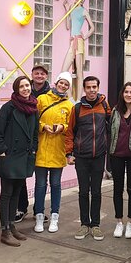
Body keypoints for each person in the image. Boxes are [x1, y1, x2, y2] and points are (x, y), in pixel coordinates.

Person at [0, 76, 39, 247]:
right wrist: (2, 152)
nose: (26, 89)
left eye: (27, 85)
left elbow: (34, 133)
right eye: (22, 86)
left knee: (17, 193)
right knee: (7, 193)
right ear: (16, 89)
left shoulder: (33, 107)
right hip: (10, 156)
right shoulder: (8, 108)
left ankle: (12, 226)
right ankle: (4, 231)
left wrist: (33, 150)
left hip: (25, 157)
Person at [65, 76, 111, 241]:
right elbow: (70, 132)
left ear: (98, 88)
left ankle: (96, 225)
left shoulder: (105, 106)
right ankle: (85, 224)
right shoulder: (77, 109)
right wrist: (69, 154)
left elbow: (112, 127)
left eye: (94, 87)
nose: (92, 90)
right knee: (84, 192)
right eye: (88, 87)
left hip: (99, 156)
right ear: (84, 89)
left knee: (97, 192)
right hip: (81, 157)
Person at [33, 72, 74, 234]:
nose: (63, 86)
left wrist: (62, 128)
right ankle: (39, 216)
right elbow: (32, 120)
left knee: (56, 185)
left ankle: (55, 216)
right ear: (56, 82)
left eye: (66, 85)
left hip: (58, 150)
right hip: (41, 150)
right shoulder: (42, 99)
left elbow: (71, 128)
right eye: (61, 83)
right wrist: (43, 126)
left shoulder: (69, 106)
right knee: (40, 185)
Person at [15, 63, 52, 224]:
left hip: (44, 140)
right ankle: (22, 208)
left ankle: (39, 211)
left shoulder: (52, 93)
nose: (39, 76)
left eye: (42, 74)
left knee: (41, 180)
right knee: (21, 176)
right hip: (24, 140)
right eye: (36, 73)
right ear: (32, 74)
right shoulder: (24, 91)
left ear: (46, 76)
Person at [109, 82, 131, 239]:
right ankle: (119, 221)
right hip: (117, 154)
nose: (129, 95)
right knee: (117, 189)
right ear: (122, 94)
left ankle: (130, 222)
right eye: (126, 92)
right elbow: (110, 131)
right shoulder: (115, 111)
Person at [60, 0, 94, 99]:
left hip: (79, 41)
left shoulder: (84, 11)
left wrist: (85, 37)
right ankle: (70, 98)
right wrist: (66, 10)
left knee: (79, 72)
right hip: (72, 42)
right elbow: (68, 26)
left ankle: (78, 99)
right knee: (63, 72)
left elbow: (92, 28)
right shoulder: (71, 7)